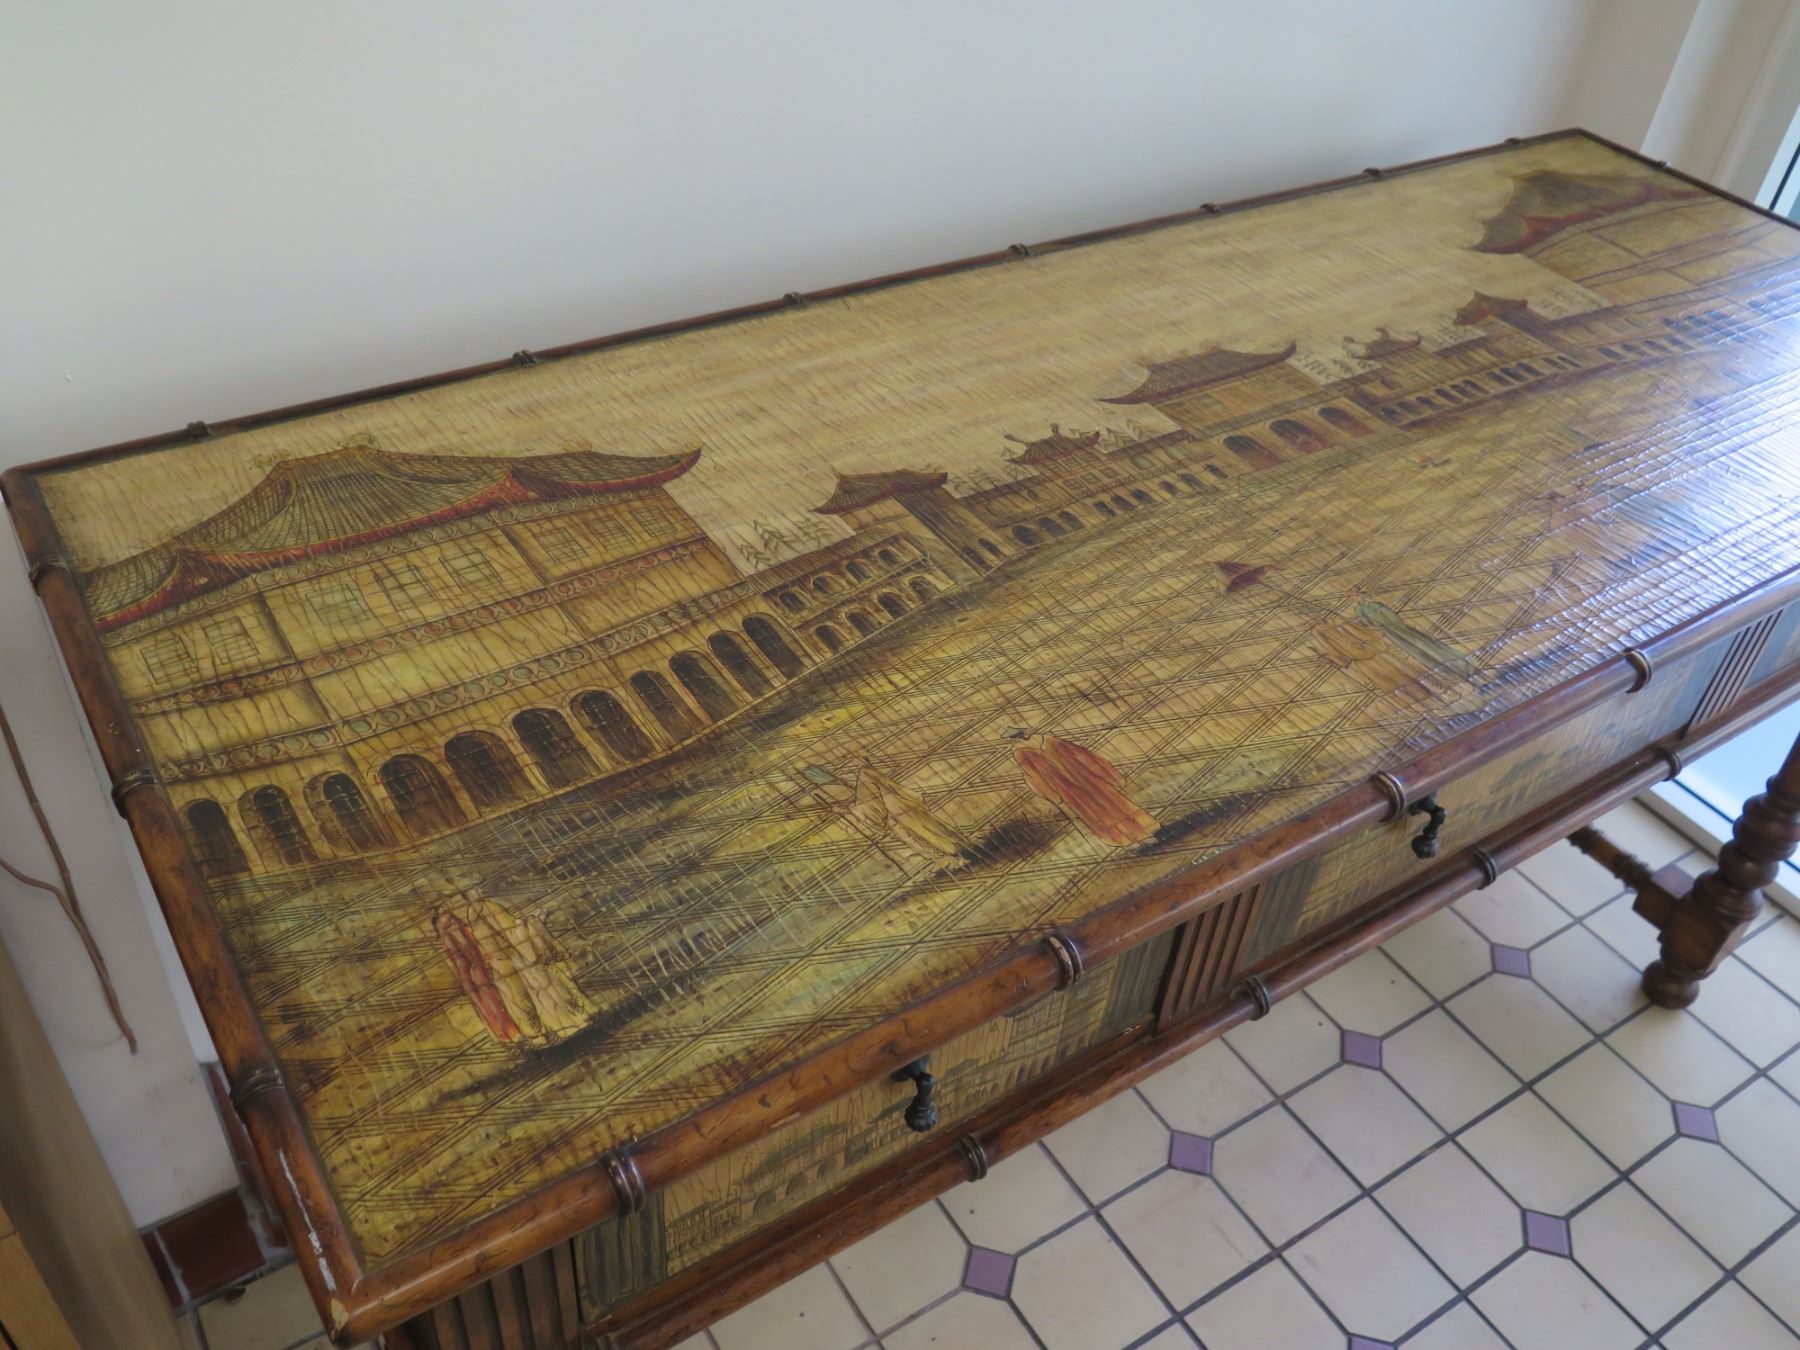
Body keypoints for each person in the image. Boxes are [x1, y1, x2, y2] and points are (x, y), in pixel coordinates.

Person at [436, 889, 595, 1047]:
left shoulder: (479, 913)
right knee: (528, 992)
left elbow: (508, 933)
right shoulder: (474, 917)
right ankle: (555, 1029)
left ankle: (554, 1029)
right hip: (513, 965)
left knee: (530, 992)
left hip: (514, 966)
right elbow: (508, 934)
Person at [1001, 727, 1157, 846]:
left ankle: (1135, 837)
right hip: (1079, 782)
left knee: (1105, 809)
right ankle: (1140, 835)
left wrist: (1050, 794)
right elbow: (1083, 756)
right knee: (1110, 807)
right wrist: (1107, 773)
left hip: (1073, 785)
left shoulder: (1029, 749)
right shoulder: (1044, 742)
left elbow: (1035, 777)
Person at [802, 758, 968, 868]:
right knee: (921, 834)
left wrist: (845, 807)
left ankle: (955, 854)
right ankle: (953, 857)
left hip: (891, 810)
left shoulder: (855, 780)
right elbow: (864, 800)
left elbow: (864, 799)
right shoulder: (854, 780)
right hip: (889, 811)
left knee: (922, 833)